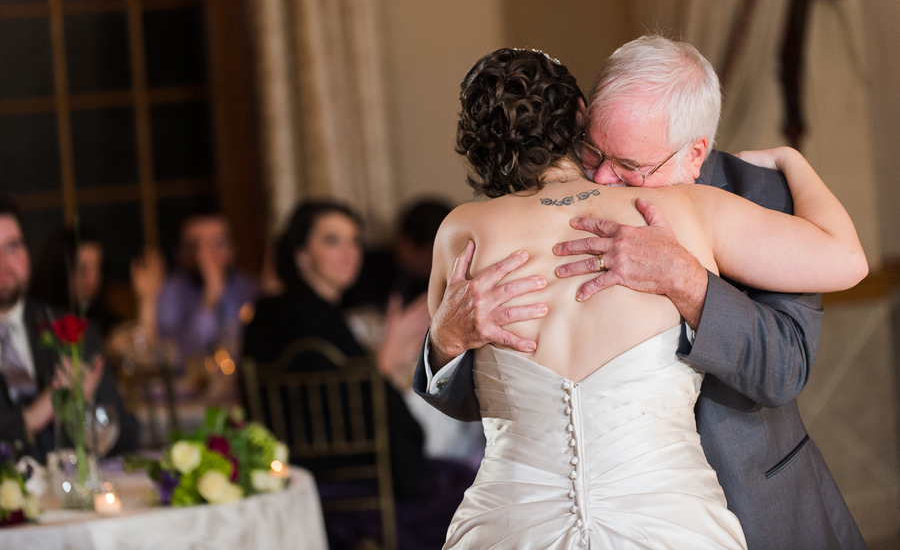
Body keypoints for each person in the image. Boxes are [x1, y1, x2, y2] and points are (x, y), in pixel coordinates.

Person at [418, 38, 867, 550]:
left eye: (629, 164)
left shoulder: (753, 196)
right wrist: (443, 342)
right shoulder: (693, 210)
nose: (604, 177)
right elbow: (474, 389)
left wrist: (689, 280)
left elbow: (785, 367)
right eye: (593, 149)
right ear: (581, 115)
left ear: (694, 151)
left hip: (739, 498)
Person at [243, 200, 472, 550]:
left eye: (354, 241)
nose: (349, 252)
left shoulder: (270, 312)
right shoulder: (306, 317)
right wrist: (382, 362)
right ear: (302, 254)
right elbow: (331, 414)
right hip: (345, 477)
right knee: (474, 490)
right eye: (332, 241)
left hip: (292, 472)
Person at [0, 196, 139, 462]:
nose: (3, 263)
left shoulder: (71, 329)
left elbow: (127, 437)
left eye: (12, 246)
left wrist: (82, 412)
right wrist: (32, 417)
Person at [156, 212, 258, 367]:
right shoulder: (170, 292)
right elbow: (178, 357)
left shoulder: (247, 287)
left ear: (233, 250)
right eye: (194, 246)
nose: (205, 255)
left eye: (218, 243)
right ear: (180, 254)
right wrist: (210, 297)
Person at [30, 225, 118, 336]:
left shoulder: (104, 319)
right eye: (82, 269)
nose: (94, 281)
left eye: (99, 268)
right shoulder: (36, 321)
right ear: (59, 272)